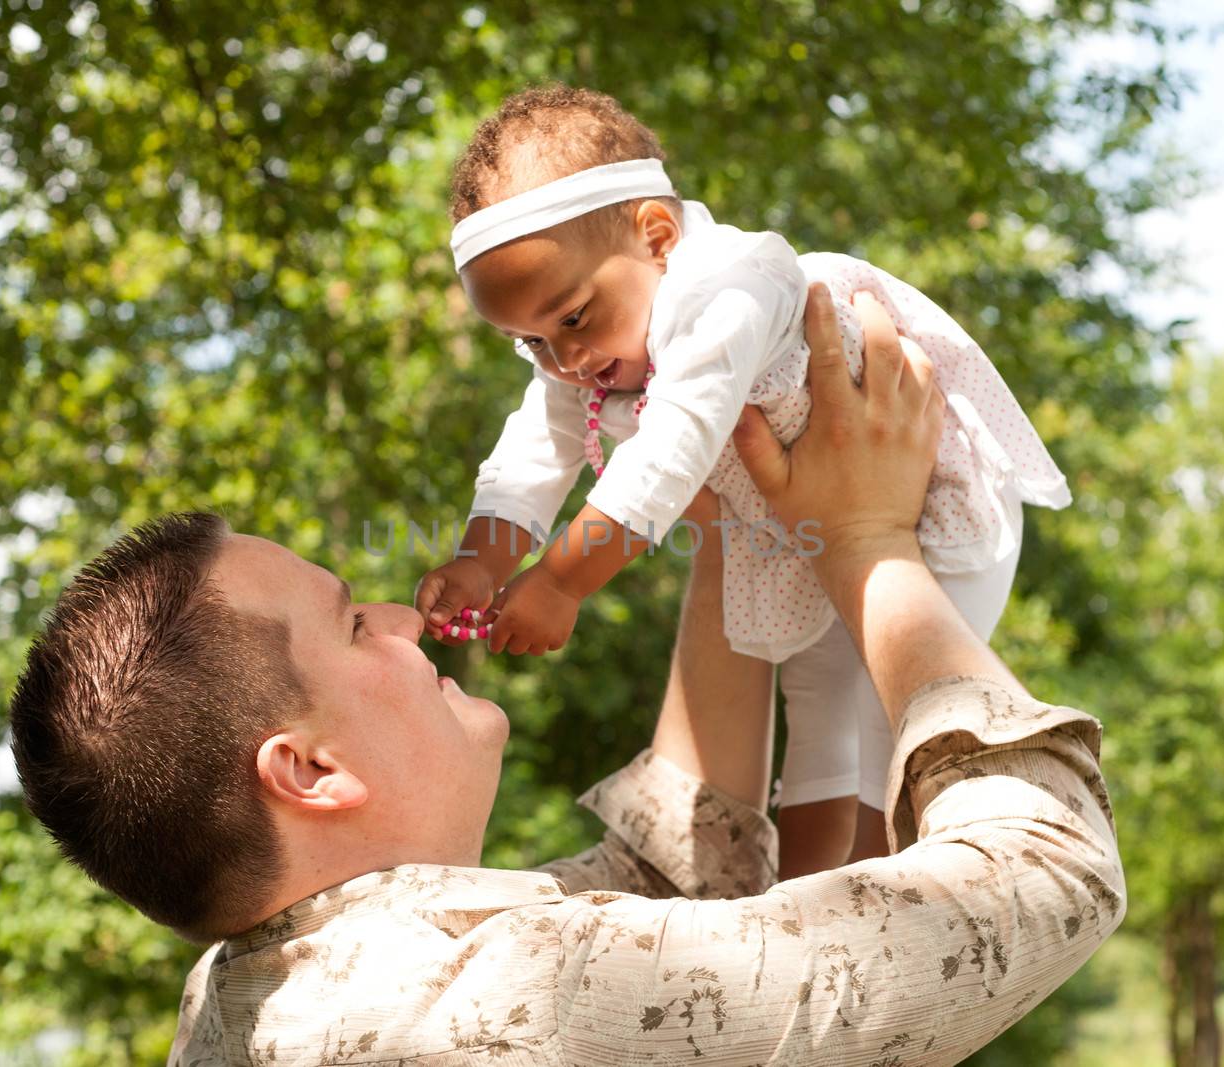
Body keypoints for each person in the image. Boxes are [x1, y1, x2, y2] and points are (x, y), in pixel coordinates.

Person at [8, 285, 1123, 1065]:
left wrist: (736, 504)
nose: (403, 617)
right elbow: (1043, 878)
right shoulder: (504, 1008)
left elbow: (679, 878)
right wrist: (872, 539)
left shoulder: (261, 995)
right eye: (353, 626)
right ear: (306, 766)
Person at [414, 86, 1071, 876]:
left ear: (657, 235)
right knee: (818, 699)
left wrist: (561, 578)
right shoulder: (586, 350)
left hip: (923, 506)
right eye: (529, 343)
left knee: (880, 710)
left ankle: (891, 890)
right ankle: (808, 900)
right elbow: (533, 448)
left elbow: (673, 446)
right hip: (797, 533)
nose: (562, 361)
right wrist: (482, 560)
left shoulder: (728, 284)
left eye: (573, 320)